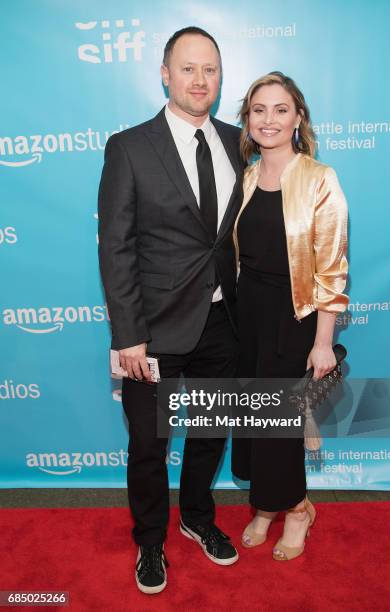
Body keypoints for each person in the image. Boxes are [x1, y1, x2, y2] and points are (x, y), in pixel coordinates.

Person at [98, 27, 244, 594]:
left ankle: (198, 518)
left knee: (211, 432)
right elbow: (115, 245)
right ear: (165, 74)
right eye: (188, 69)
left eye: (209, 69)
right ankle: (151, 539)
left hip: (223, 322)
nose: (200, 80)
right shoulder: (130, 146)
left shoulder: (239, 142)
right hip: (152, 331)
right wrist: (128, 334)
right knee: (149, 444)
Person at [232, 72, 349, 561]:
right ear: (248, 120)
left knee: (278, 425)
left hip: (293, 316)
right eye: (259, 109)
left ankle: (296, 509)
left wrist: (322, 342)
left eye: (281, 109)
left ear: (298, 117)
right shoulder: (246, 176)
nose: (269, 119)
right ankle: (266, 504)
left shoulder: (319, 178)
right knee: (253, 420)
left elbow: (331, 268)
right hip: (247, 315)